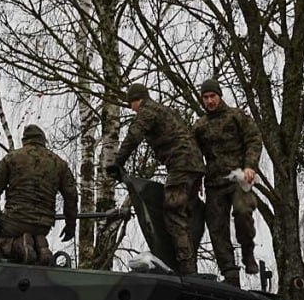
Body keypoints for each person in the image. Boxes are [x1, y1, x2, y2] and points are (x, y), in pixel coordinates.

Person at [108, 83, 205, 275]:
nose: (132, 109)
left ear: (137, 100)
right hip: (191, 165)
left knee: (173, 213)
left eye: (131, 104)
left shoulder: (147, 110)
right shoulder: (163, 110)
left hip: (181, 164)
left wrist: (117, 162)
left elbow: (134, 135)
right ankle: (187, 262)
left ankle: (187, 269)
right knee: (184, 214)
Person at [0, 124, 78, 265]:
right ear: (43, 141)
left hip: (14, 222)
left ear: (24, 141)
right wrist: (70, 225)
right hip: (44, 226)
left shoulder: (11, 158)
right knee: (32, 238)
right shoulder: (59, 163)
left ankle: (18, 246)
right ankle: (39, 245)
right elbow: (71, 196)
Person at [193, 78, 261, 286]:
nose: (210, 101)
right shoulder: (200, 126)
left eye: (212, 96)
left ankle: (248, 252)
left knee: (242, 212)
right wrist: (196, 180)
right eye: (206, 98)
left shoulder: (236, 116)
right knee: (216, 228)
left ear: (219, 96)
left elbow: (253, 139)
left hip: (239, 178)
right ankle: (230, 273)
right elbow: (193, 154)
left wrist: (250, 166)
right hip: (214, 183)